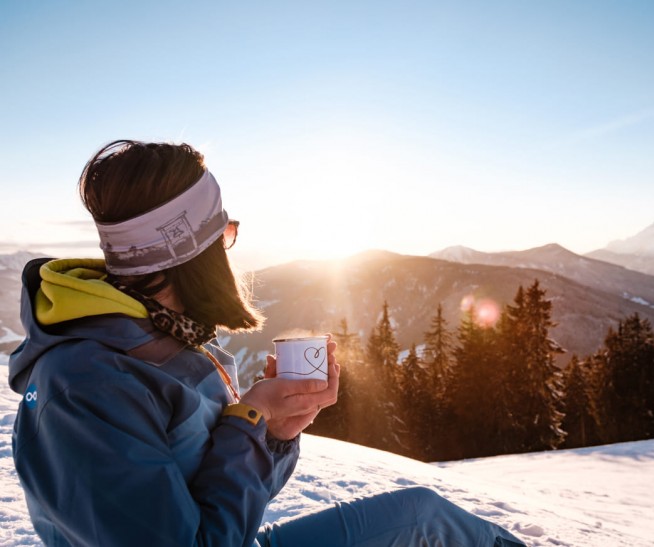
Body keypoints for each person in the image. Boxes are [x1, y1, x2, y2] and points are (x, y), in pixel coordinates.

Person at [9, 140, 527, 546]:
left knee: (423, 517)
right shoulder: (86, 385)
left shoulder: (163, 338)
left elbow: (219, 504)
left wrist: (272, 433)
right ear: (192, 249)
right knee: (425, 526)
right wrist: (247, 423)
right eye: (224, 232)